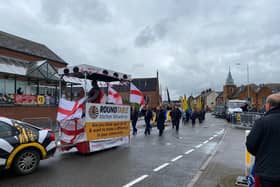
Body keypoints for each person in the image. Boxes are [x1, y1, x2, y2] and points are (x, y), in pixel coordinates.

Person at [246, 93, 280, 187]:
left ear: (269, 105)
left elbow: (250, 145)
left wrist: (262, 153)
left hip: (265, 174)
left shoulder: (262, 122)